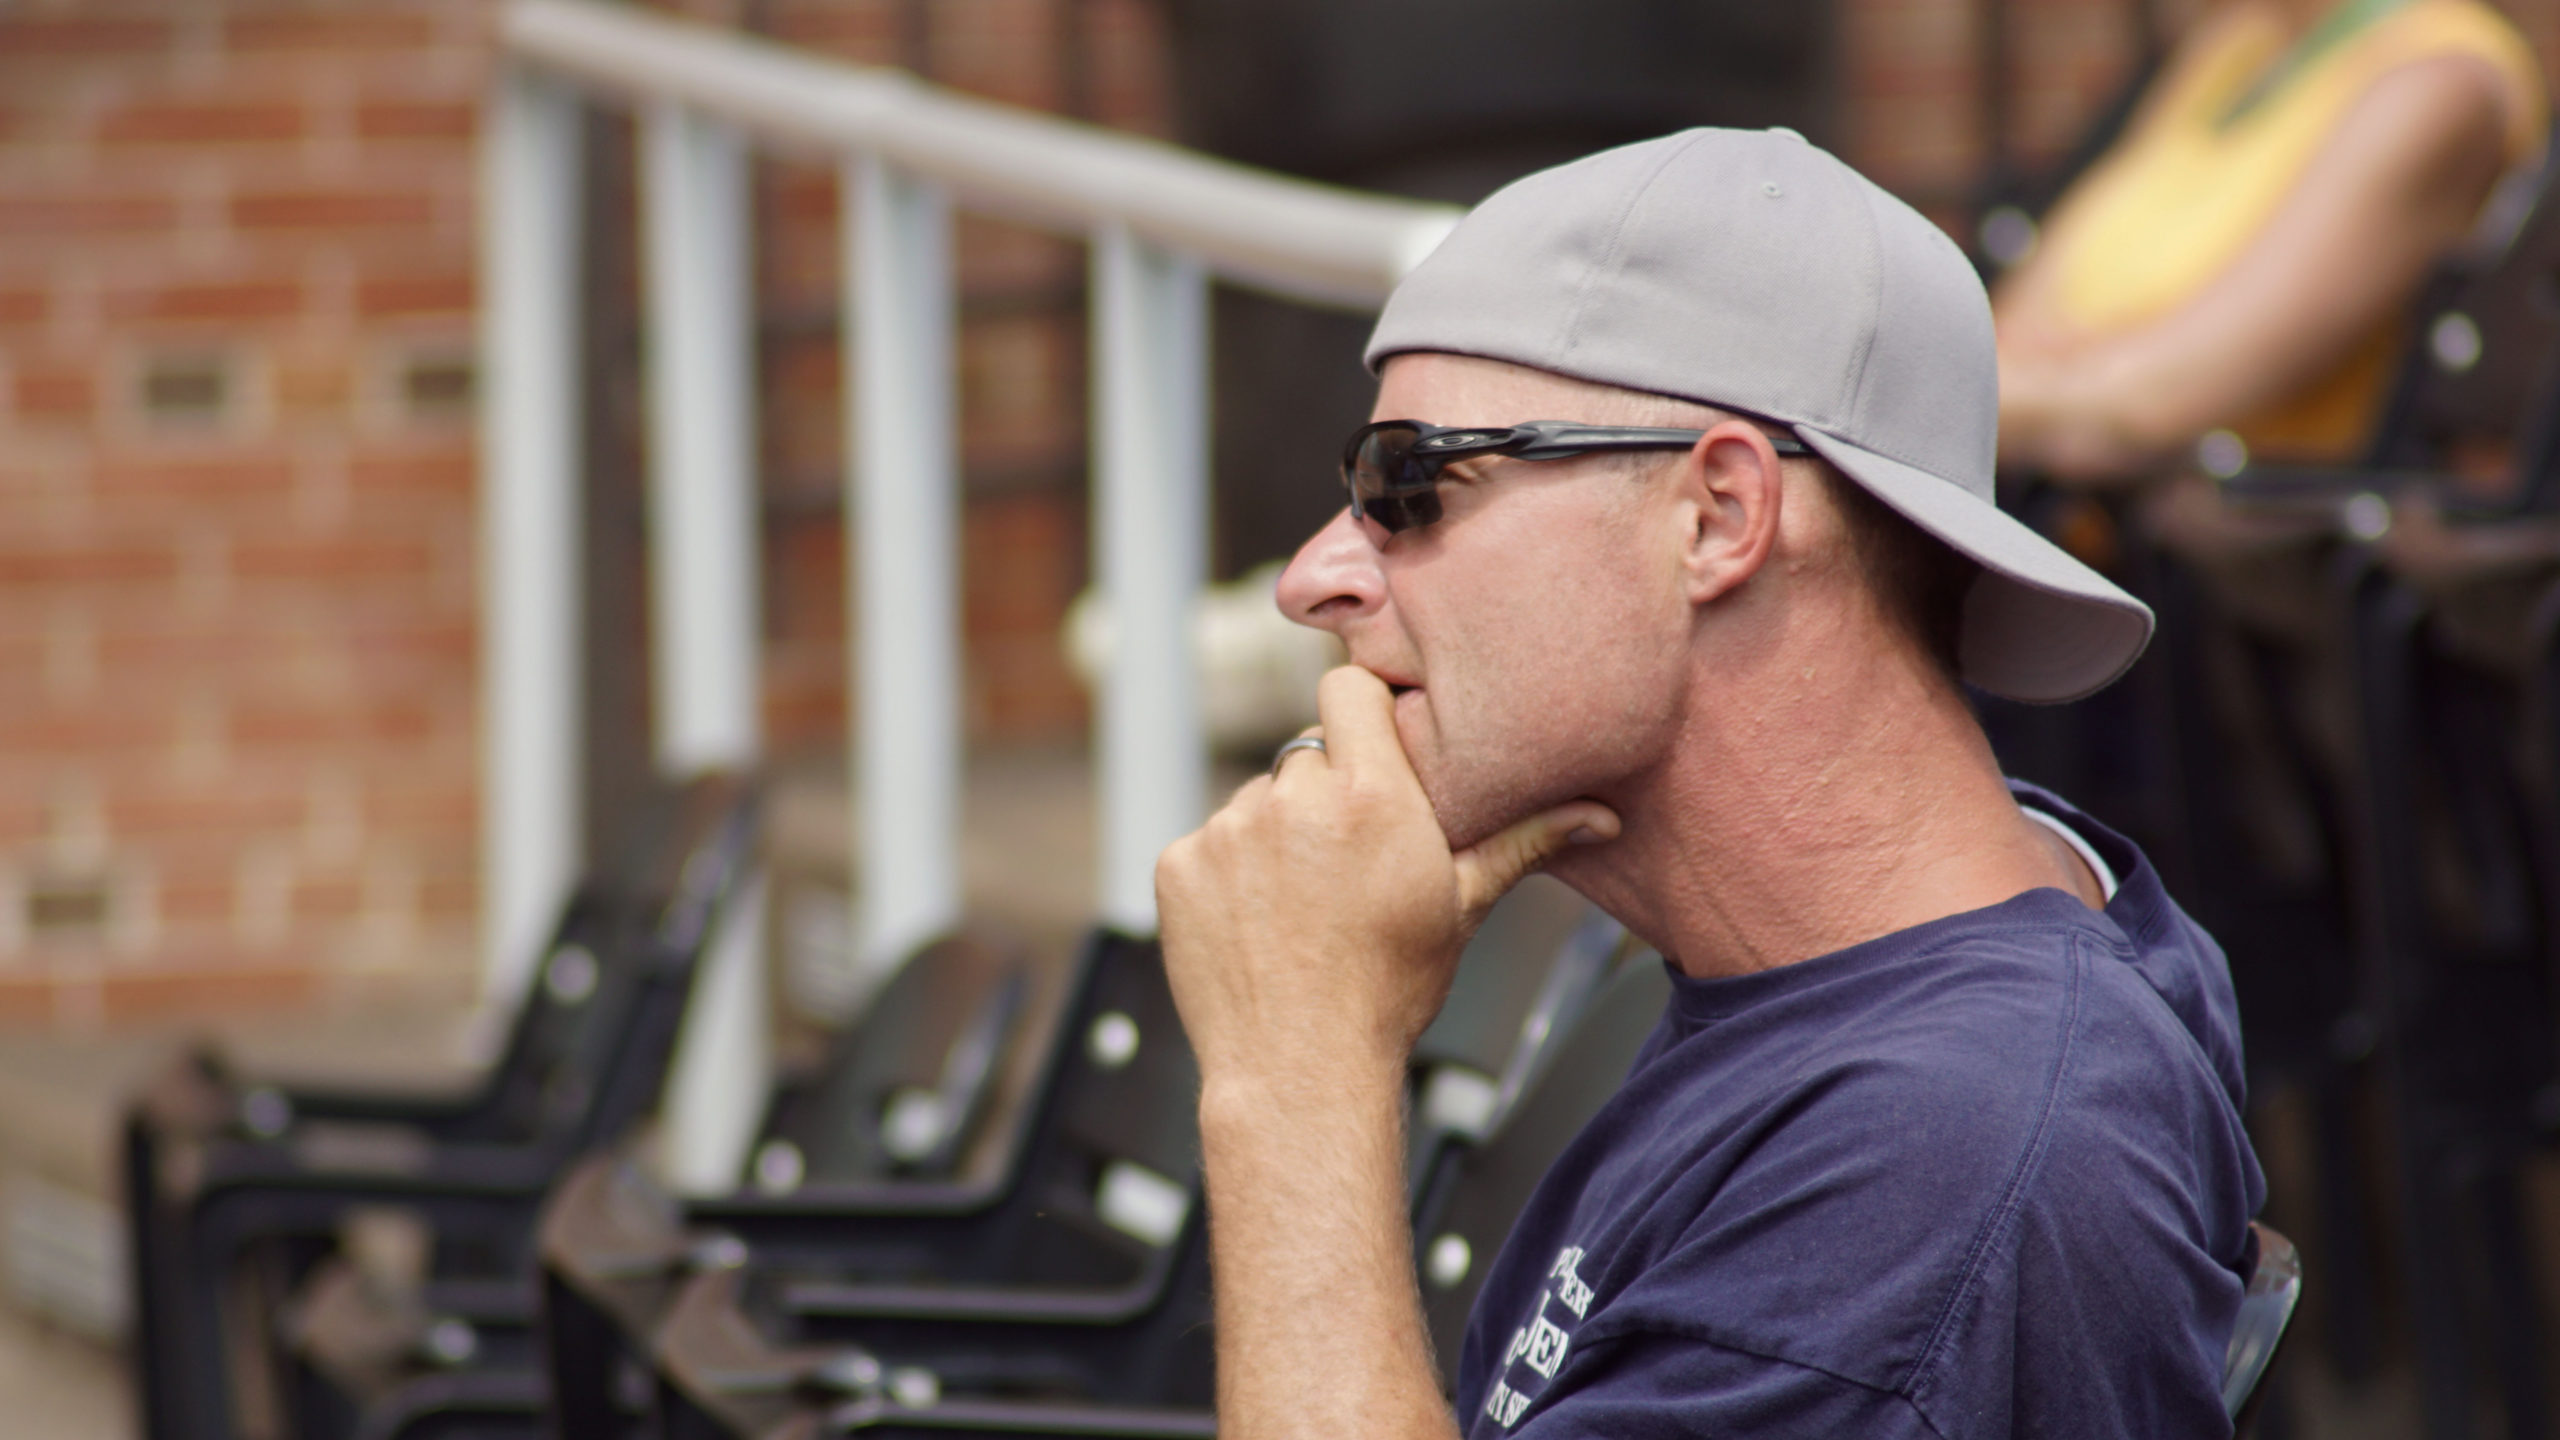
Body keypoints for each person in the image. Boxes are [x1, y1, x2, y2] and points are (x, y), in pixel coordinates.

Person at [1154, 128, 2264, 1438]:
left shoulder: (1939, 1153)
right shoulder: (1897, 950)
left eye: (1411, 485)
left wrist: (1295, 1074)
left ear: (1718, 516)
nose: (1312, 580)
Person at [1995, 0, 2545, 483]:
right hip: (2075, 492)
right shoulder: (2241, 45)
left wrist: (1986, 392)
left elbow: (2156, 404)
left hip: (2218, 533)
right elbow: (2014, 318)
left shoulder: (2438, 80)